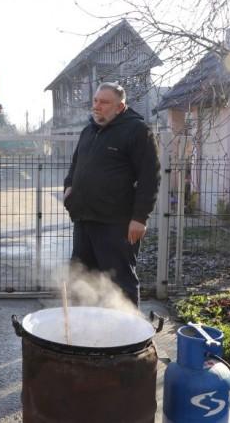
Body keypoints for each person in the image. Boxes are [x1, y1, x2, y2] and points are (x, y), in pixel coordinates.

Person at [63, 82, 160, 306]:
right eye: (95, 101)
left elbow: (150, 177)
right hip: (84, 219)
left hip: (116, 223)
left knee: (120, 282)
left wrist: (140, 218)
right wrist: (69, 188)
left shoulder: (137, 131)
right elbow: (76, 164)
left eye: (104, 102)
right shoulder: (89, 130)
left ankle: (128, 336)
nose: (97, 106)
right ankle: (84, 330)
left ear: (120, 107)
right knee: (81, 279)